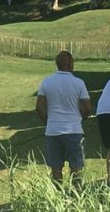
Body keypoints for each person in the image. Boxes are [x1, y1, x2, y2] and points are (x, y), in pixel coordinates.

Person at [36, 51, 92, 187]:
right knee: (76, 167)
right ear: (71, 64)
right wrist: (82, 118)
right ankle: (76, 195)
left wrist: (47, 122)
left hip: (53, 130)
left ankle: (57, 197)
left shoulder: (47, 82)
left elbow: (39, 107)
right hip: (73, 129)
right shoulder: (78, 83)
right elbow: (87, 107)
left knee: (55, 168)